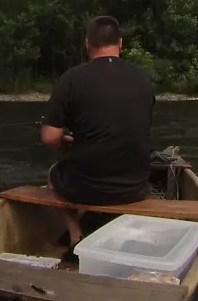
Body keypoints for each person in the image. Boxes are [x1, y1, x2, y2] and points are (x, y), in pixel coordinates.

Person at [40, 15, 156, 252]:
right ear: (120, 44)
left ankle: (75, 236)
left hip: (87, 188)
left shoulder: (71, 79)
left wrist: (66, 141)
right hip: (136, 187)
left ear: (87, 44)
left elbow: (50, 138)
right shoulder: (143, 79)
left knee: (53, 176)